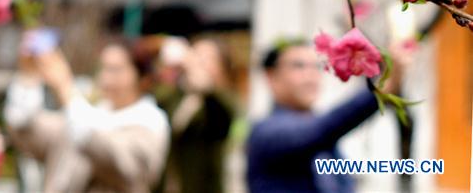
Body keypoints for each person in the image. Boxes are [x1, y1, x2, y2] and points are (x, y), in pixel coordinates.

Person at [4, 33, 170, 193]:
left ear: (143, 78)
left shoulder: (150, 123)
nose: (105, 79)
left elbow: (119, 162)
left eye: (115, 70)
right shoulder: (92, 114)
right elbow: (26, 130)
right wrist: (29, 74)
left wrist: (66, 89)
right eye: (103, 68)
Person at [246, 38, 409, 193]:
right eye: (298, 66)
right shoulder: (268, 132)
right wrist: (379, 90)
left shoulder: (322, 137)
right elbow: (321, 129)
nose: (311, 76)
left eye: (316, 67)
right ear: (271, 76)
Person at [157, 37, 236, 193]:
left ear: (222, 68)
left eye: (207, 58)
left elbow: (221, 123)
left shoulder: (221, 101)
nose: (198, 62)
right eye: (196, 55)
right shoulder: (178, 96)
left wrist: (208, 91)